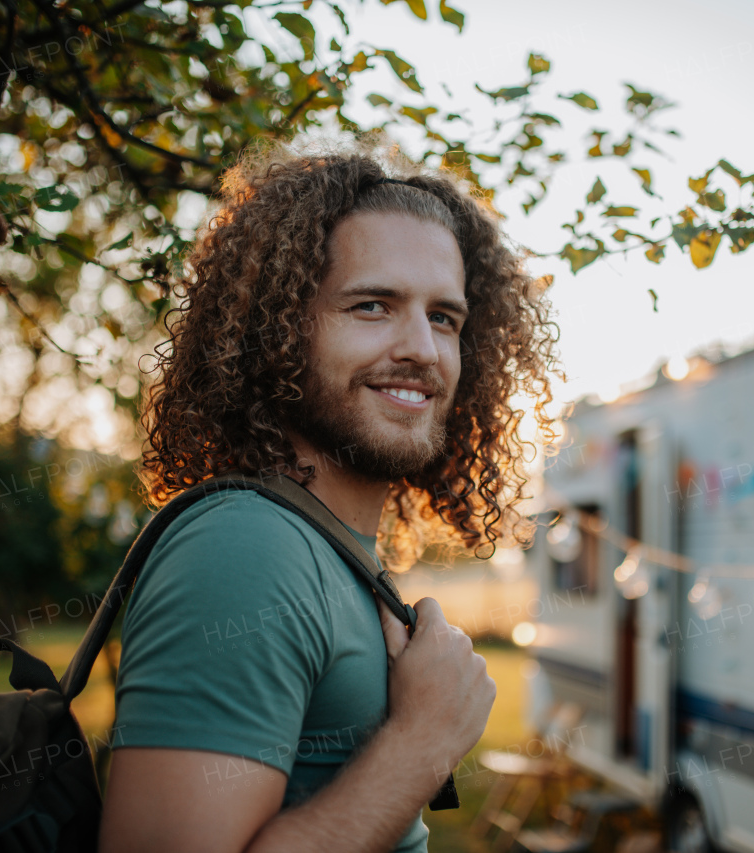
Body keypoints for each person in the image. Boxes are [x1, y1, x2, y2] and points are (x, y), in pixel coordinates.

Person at [99, 140, 564, 853]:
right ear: (279, 330)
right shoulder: (246, 550)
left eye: (445, 317)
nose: (423, 349)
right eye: (372, 305)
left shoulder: (325, 550)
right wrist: (422, 742)